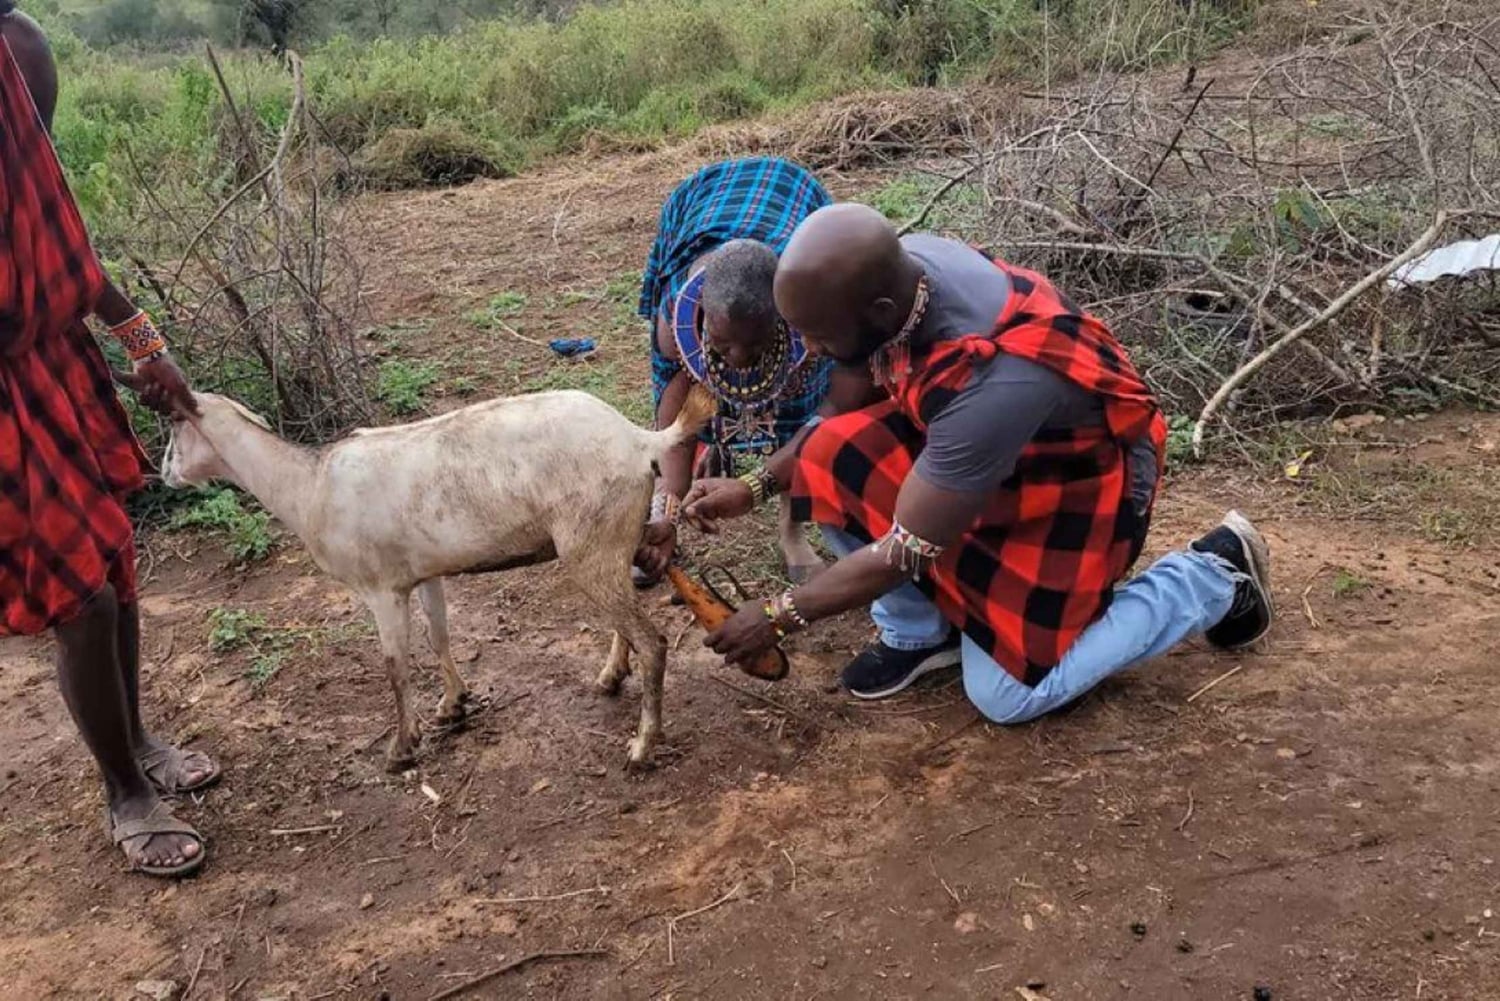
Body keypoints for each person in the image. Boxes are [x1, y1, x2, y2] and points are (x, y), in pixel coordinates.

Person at [683, 204, 1275, 722]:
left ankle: (1210, 575)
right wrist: (755, 486)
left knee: (1006, 693)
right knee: (828, 456)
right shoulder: (895, 278)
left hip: (1084, 481)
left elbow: (905, 550)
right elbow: (838, 414)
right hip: (994, 460)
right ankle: (921, 634)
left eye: (819, 336)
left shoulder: (991, 378)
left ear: (881, 311)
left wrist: (778, 615)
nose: (809, 349)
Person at [1, 6, 218, 876]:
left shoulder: (19, 50)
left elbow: (55, 233)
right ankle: (125, 790)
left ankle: (135, 737)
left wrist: (143, 341)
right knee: (78, 598)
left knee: (114, 561)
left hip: (51, 358)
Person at [635, 157, 879, 586]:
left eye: (755, 342)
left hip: (785, 193)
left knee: (795, 417)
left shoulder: (808, 308)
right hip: (704, 199)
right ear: (702, 318)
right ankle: (686, 495)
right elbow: (673, 426)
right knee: (692, 412)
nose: (740, 358)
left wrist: (762, 482)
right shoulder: (674, 325)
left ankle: (791, 533)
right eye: (723, 343)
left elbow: (815, 424)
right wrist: (666, 515)